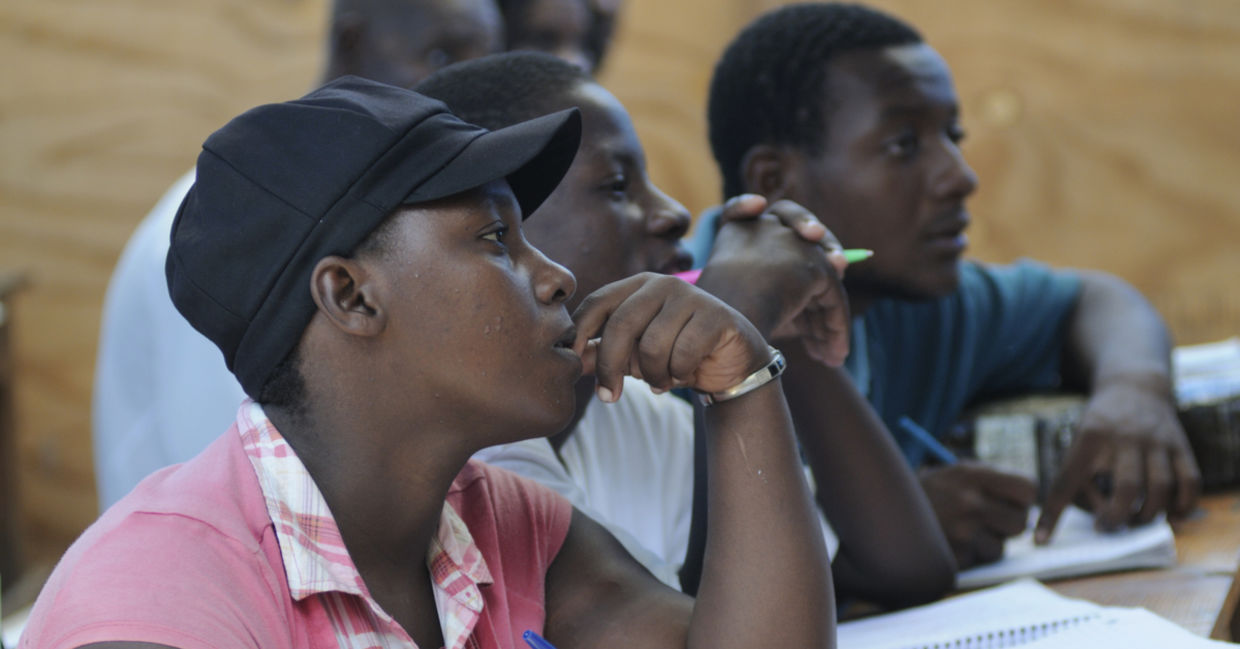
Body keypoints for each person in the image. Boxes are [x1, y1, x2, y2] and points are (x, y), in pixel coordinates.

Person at [20, 77, 835, 649]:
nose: (556, 276)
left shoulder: (502, 525)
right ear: (352, 297)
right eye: (494, 241)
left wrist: (745, 383)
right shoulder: (162, 598)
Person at [417, 51, 954, 607]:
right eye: (617, 185)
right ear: (502, 227)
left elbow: (899, 570)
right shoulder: (472, 455)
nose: (674, 212)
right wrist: (732, 336)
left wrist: (783, 334)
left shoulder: (625, 415)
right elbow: (710, 630)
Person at [697, 2, 1201, 570]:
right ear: (774, 180)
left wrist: (1134, 391)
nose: (960, 175)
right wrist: (873, 530)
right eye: (904, 144)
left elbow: (1095, 300)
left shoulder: (910, 309)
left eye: (952, 135)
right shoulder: (672, 339)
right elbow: (666, 571)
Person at [93, 0, 613, 510]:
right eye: (441, 55)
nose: (463, 86)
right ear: (351, 42)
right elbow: (245, 491)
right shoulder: (232, 231)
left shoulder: (485, 520)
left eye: (487, 57)